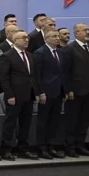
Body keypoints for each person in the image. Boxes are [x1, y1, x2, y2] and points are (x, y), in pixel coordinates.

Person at [32, 29, 69, 159]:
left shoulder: (61, 52)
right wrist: (40, 92)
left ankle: (51, 145)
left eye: (58, 36)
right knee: (43, 121)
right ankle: (42, 147)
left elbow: (63, 73)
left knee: (54, 121)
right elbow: (37, 76)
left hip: (58, 91)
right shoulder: (40, 53)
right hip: (46, 92)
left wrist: (65, 90)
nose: (57, 38)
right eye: (54, 36)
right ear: (46, 39)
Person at [65, 23, 89, 158]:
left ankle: (80, 145)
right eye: (84, 30)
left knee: (84, 120)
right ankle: (70, 147)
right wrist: (69, 89)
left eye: (88, 30)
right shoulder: (70, 48)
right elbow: (66, 71)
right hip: (75, 90)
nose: (88, 32)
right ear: (76, 33)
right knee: (72, 120)